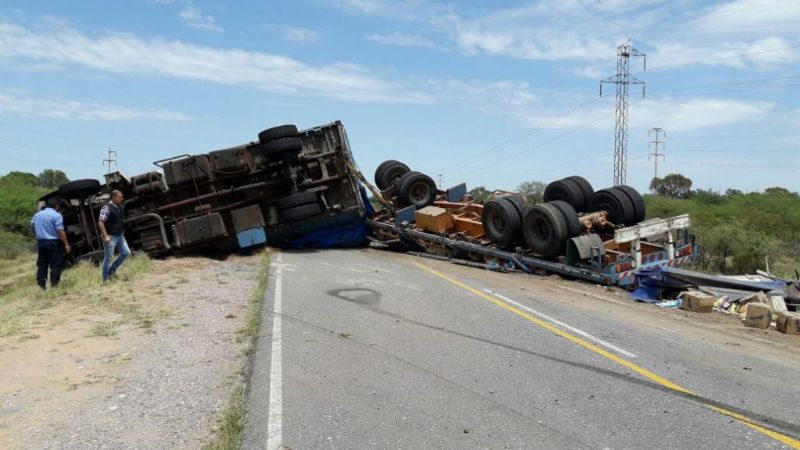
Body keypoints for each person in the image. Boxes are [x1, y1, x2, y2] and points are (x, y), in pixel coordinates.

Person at [30, 198, 71, 289]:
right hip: (53, 243)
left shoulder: (36, 215)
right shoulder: (57, 215)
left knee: (42, 264)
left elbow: (32, 229)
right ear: (56, 205)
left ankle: (41, 285)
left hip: (41, 243)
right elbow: (60, 231)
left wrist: (39, 235)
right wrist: (66, 244)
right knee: (56, 263)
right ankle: (54, 285)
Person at [97, 190, 130, 282]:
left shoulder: (119, 206)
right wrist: (106, 236)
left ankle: (112, 271)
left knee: (126, 252)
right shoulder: (106, 207)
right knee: (109, 258)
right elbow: (100, 222)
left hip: (119, 235)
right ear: (114, 197)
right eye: (120, 197)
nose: (122, 199)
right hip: (110, 236)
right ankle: (105, 278)